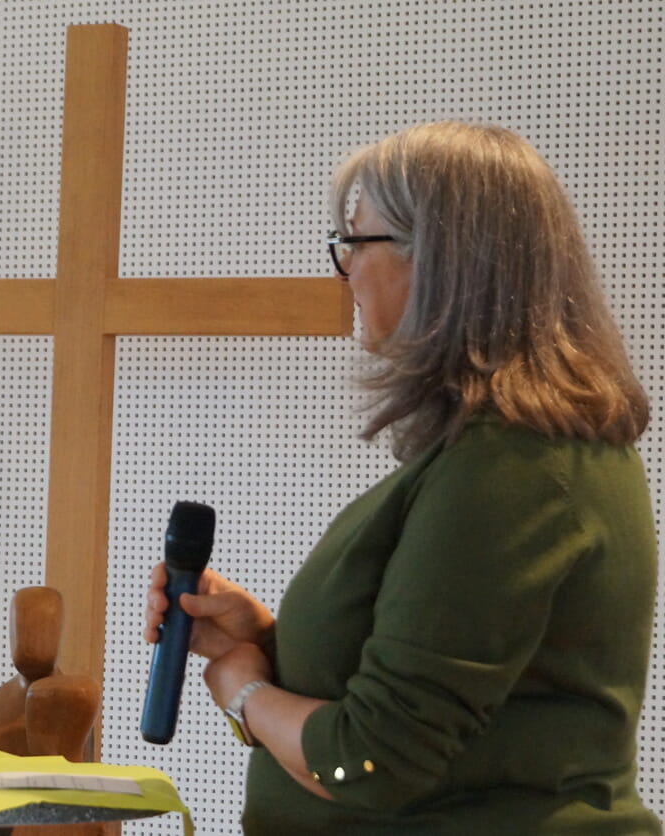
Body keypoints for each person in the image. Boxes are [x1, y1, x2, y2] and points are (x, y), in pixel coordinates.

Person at [144, 121, 659, 834]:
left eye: (357, 241)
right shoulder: (516, 452)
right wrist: (264, 640)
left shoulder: (513, 467)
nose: (345, 268)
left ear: (443, 259)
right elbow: (436, 692)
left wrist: (245, 692)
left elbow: (373, 761)